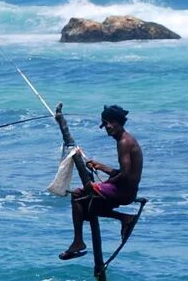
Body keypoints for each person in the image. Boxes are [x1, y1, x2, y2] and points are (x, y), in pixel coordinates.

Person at [60, 105, 144, 260]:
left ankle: (78, 241)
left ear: (120, 122)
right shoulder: (125, 139)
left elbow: (125, 175)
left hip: (124, 192)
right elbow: (124, 173)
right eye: (106, 123)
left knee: (78, 195)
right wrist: (101, 166)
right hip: (127, 190)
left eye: (112, 122)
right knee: (87, 208)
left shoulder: (124, 142)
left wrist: (100, 185)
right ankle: (124, 218)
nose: (109, 126)